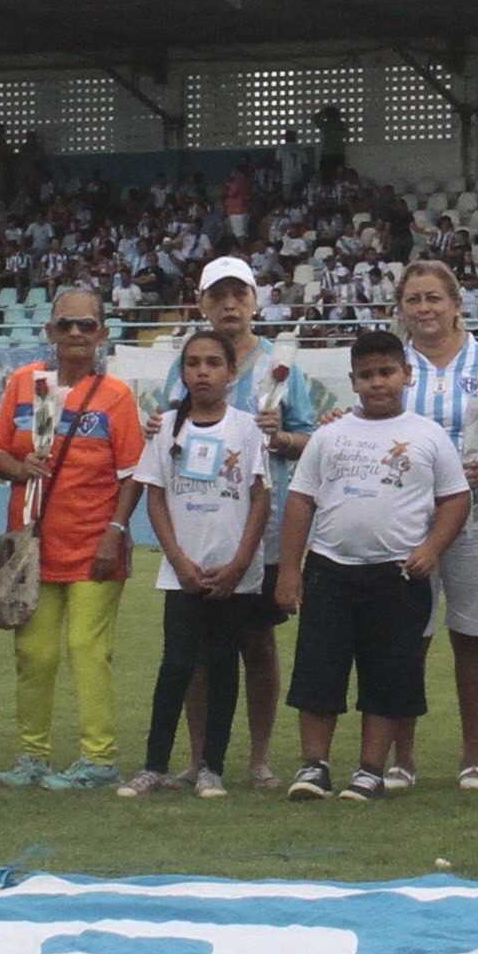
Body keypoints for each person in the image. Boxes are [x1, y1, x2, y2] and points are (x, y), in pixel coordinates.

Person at [278, 324, 466, 801]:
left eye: (387, 372)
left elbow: (456, 499)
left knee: (387, 676)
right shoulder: (330, 435)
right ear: (353, 381)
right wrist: (288, 569)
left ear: (406, 374)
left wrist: (431, 549)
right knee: (319, 672)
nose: (377, 383)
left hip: (397, 576)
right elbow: (301, 500)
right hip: (330, 569)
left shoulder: (429, 436)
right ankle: (314, 765)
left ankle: (369, 770)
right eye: (366, 375)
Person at [0, 284, 147, 789]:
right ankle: (32, 756)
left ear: (102, 332)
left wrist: (115, 533)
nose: (76, 333)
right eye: (65, 324)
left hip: (92, 546)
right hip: (32, 549)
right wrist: (19, 465)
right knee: (34, 655)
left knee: (88, 649)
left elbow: (132, 473)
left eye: (87, 325)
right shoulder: (22, 383)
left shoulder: (116, 396)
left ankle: (99, 760)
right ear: (49, 331)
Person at [391, 261, 478, 791]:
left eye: (434, 298)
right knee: (408, 642)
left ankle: (472, 756)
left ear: (456, 303)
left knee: (472, 638)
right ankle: (402, 758)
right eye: (413, 300)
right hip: (405, 522)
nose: (424, 309)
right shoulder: (394, 363)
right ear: (401, 309)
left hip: (476, 519)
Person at [128, 323, 277, 796]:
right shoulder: (167, 427)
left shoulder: (248, 429)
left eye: (213, 363)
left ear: (232, 372)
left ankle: (212, 766)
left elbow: (260, 499)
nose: (203, 372)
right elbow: (154, 498)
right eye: (193, 363)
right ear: (183, 372)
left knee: (224, 664)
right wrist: (177, 559)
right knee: (176, 665)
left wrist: (238, 564)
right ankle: (154, 764)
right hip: (183, 574)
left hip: (233, 576)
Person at [187, 255, 316, 770]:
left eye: (238, 293)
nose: (229, 304)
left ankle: (259, 757)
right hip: (202, 525)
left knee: (257, 642)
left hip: (266, 526)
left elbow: (312, 438)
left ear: (255, 299)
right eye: (217, 295)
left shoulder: (280, 368)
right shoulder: (191, 363)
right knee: (197, 649)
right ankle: (200, 758)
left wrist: (281, 437)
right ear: (201, 304)